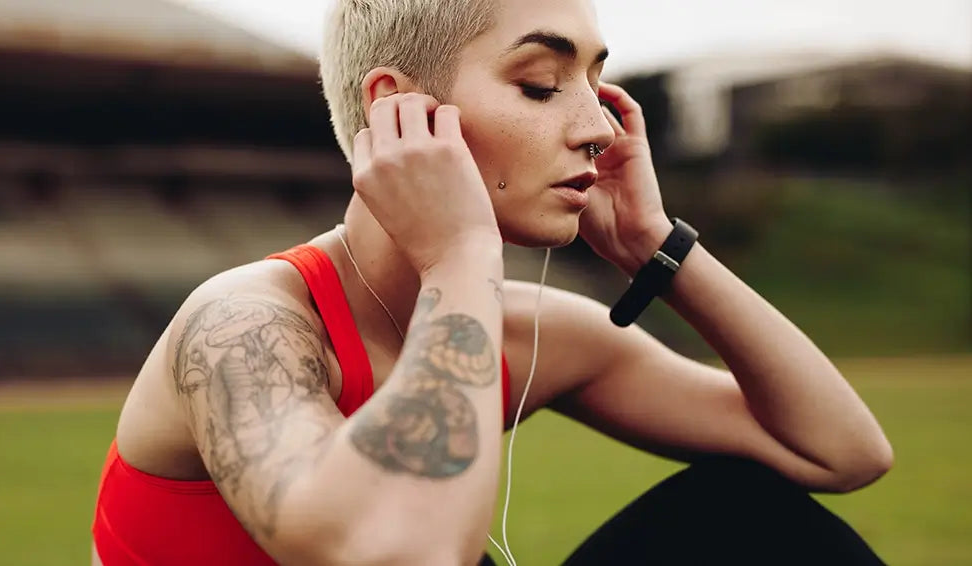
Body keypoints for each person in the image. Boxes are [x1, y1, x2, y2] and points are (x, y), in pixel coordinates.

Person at [91, 0, 894, 564]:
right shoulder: (243, 323)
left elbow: (839, 453)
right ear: (401, 110)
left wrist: (657, 247)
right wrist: (461, 254)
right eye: (542, 85)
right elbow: (397, 552)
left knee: (744, 516)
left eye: (596, 86)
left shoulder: (529, 332)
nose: (600, 130)